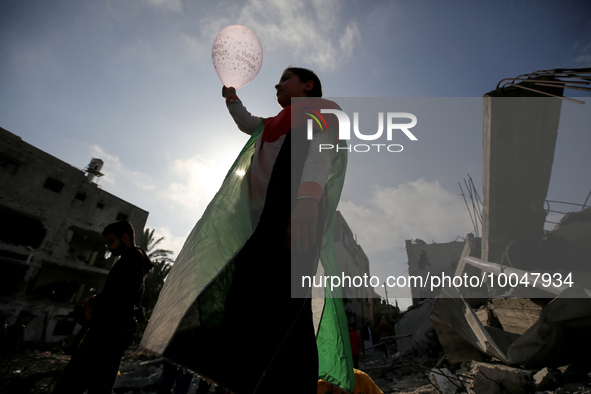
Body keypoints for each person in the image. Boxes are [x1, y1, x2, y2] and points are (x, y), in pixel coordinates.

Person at [148, 67, 349, 393]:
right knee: (245, 304)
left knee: (285, 308)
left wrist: (307, 202)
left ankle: (287, 385)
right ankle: (247, 382)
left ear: (308, 85)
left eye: (286, 78)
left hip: (294, 215)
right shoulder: (271, 124)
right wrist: (232, 98)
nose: (277, 84)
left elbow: (321, 151)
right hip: (258, 226)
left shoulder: (322, 109)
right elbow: (246, 122)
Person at [53, 221, 153, 394]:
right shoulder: (130, 259)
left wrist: (95, 308)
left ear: (125, 238)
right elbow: (120, 292)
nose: (108, 247)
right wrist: (95, 299)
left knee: (73, 383)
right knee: (99, 385)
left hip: (108, 332)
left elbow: (123, 296)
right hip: (111, 331)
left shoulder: (133, 256)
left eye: (111, 241)